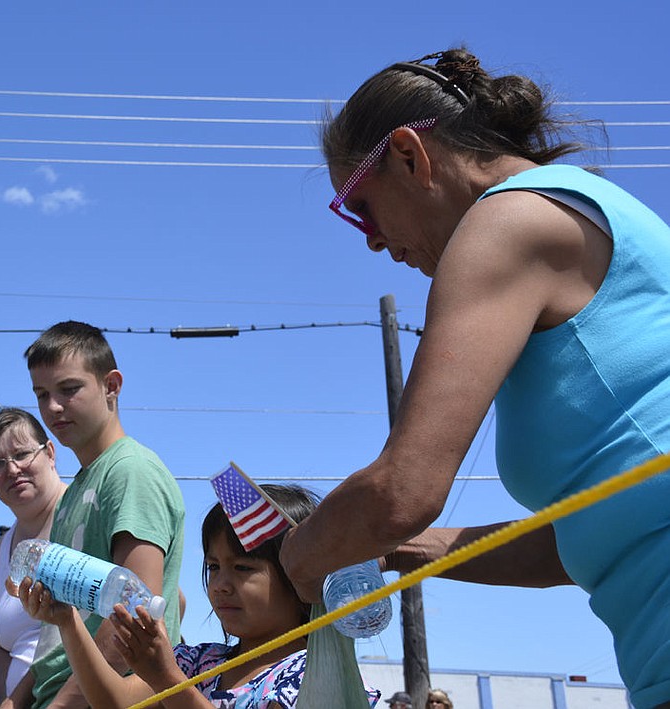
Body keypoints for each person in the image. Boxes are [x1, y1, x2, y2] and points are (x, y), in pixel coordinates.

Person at [277, 48, 670, 709]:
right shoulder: (578, 220)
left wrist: (299, 558)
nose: (373, 242)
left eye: (361, 207)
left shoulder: (506, 221)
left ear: (409, 155)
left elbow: (402, 489)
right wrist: (400, 548)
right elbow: (574, 542)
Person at [17, 484, 379, 708]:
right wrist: (68, 620)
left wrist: (167, 681)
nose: (220, 584)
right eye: (213, 567)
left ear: (301, 578)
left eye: (242, 568)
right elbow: (115, 702)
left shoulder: (313, 676)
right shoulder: (198, 663)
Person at [10, 320, 186, 709]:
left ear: (111, 386)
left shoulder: (131, 472)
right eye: (41, 394)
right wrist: (17, 698)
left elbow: (132, 619)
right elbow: (56, 631)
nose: (52, 407)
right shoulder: (77, 489)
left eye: (69, 389)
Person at [0, 408, 69, 708]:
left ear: (50, 453)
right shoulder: (1, 549)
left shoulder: (81, 516)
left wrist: (16, 700)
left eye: (23, 454)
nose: (13, 470)